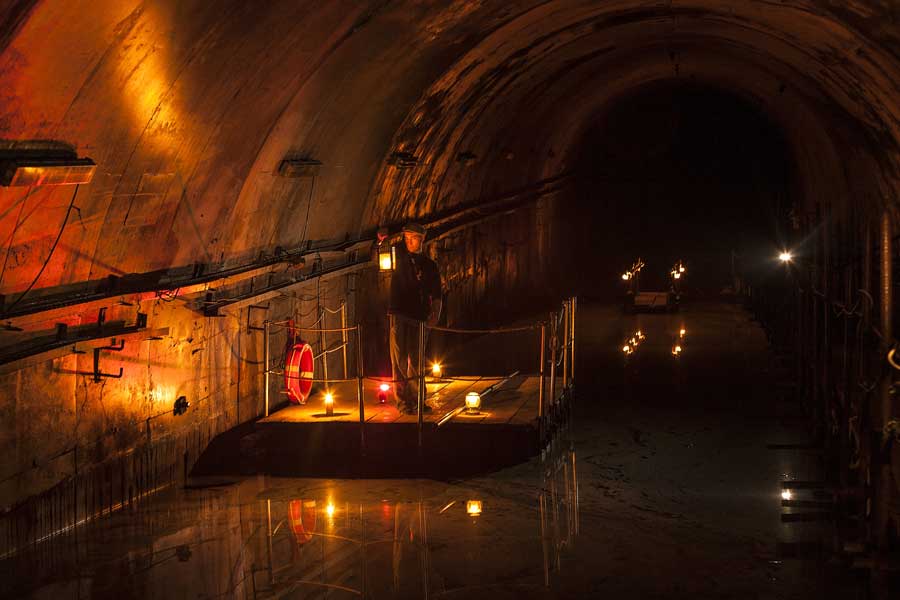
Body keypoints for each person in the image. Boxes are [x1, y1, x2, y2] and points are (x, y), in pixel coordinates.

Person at [389, 222, 442, 414]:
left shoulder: (429, 266)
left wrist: (435, 314)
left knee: (416, 360)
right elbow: (377, 253)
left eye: (414, 238)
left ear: (422, 239)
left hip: (419, 317)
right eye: (407, 238)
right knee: (399, 359)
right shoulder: (398, 259)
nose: (410, 242)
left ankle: (418, 400)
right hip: (399, 315)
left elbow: (437, 293)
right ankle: (404, 402)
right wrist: (380, 240)